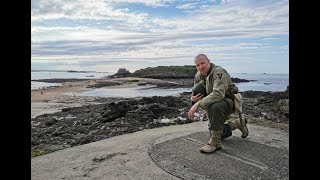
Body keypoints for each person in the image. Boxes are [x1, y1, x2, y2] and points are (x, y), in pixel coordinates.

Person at [188, 54, 249, 153]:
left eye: (202, 63)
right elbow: (196, 90)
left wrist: (198, 104)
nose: (200, 67)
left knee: (216, 106)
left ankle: (215, 143)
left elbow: (218, 94)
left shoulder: (219, 72)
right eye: (197, 65)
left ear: (209, 61)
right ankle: (236, 124)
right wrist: (193, 98)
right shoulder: (199, 75)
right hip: (213, 102)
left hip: (229, 101)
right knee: (216, 132)